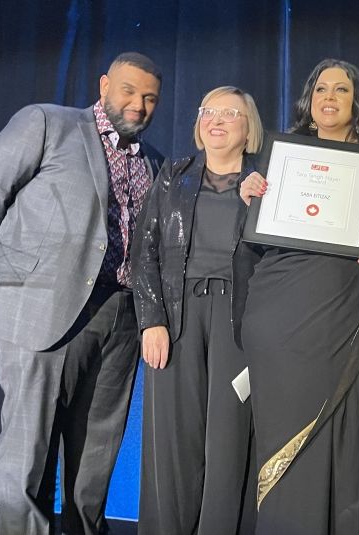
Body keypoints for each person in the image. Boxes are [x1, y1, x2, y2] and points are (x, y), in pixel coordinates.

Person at [0, 52, 164, 534]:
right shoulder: (49, 123)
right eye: (129, 91)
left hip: (121, 316)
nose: (138, 105)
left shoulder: (153, 161)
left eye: (150, 98)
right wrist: (7, 270)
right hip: (42, 308)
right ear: (104, 84)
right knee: (28, 449)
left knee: (98, 448)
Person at [238, 58, 359, 534]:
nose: (329, 98)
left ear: (358, 101)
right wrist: (248, 197)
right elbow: (252, 242)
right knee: (283, 429)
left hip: (347, 313)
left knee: (348, 426)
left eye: (342, 90)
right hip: (282, 316)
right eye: (321, 88)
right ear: (308, 100)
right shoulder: (280, 159)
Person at [132, 86, 263, 534]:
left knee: (228, 442)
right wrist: (152, 321)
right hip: (177, 319)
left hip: (239, 323)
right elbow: (143, 252)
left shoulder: (267, 182)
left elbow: (282, 259)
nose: (217, 119)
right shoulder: (173, 175)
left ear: (249, 130)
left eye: (230, 112)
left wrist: (261, 201)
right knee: (173, 443)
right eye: (208, 110)